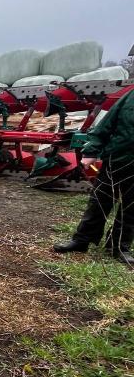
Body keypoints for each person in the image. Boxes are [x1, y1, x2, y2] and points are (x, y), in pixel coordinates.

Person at [53, 88, 134, 265]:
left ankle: (120, 247)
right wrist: (91, 151)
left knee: (131, 208)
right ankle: (82, 240)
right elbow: (107, 124)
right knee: (99, 201)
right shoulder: (130, 97)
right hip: (117, 158)